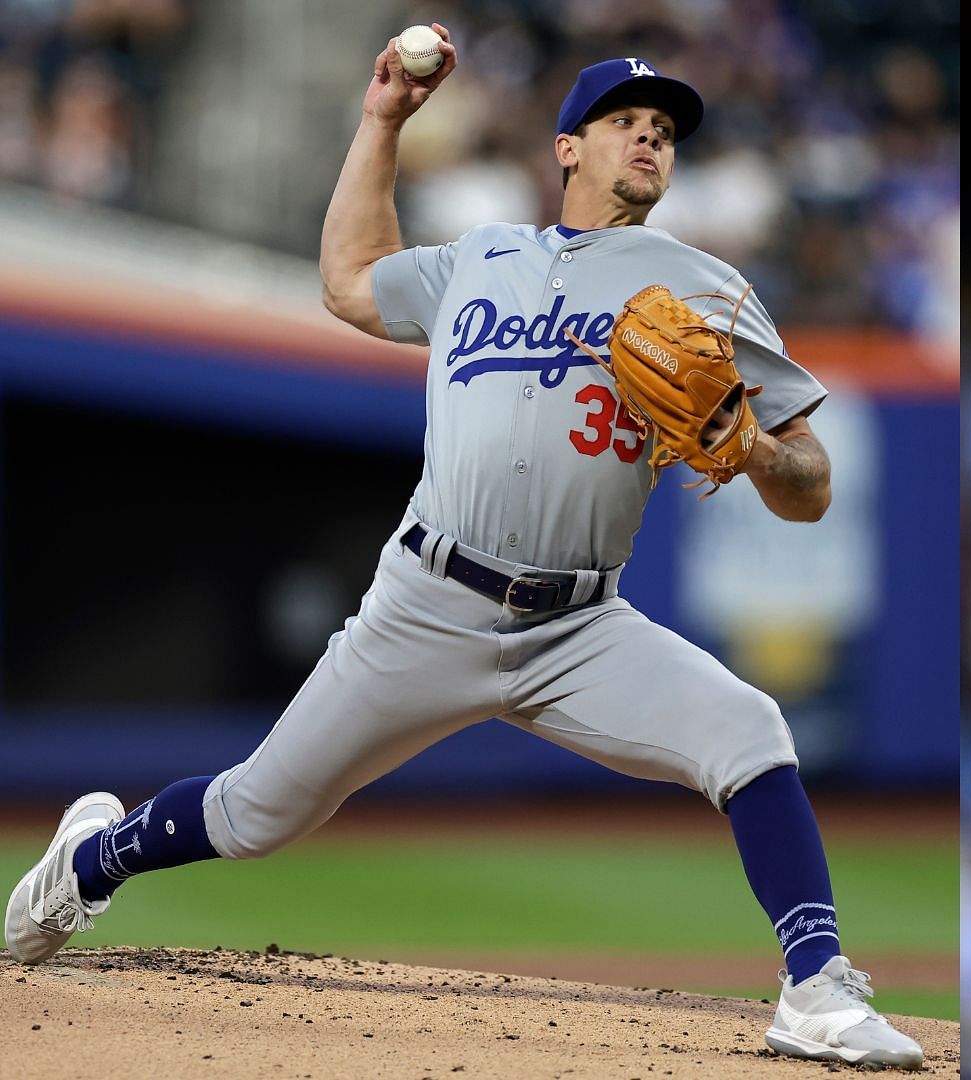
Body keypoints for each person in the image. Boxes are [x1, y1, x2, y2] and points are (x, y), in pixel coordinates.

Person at [3, 25, 923, 1070]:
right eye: (626, 122)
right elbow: (351, 278)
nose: (650, 141)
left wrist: (752, 445)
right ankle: (89, 861)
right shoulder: (484, 255)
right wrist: (382, 120)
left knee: (751, 733)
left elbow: (812, 488)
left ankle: (814, 988)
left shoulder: (705, 286)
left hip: (580, 624)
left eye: (665, 130)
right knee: (260, 811)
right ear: (567, 147)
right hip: (427, 602)